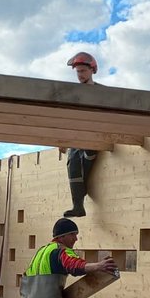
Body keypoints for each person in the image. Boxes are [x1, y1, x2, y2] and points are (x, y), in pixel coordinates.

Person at [64, 51, 100, 217]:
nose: (80, 75)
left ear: (92, 70)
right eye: (78, 72)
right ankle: (78, 205)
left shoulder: (102, 93)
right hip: (76, 137)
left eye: (83, 71)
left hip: (94, 135)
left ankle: (81, 197)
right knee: (73, 163)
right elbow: (66, 116)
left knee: (88, 153)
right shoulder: (72, 94)